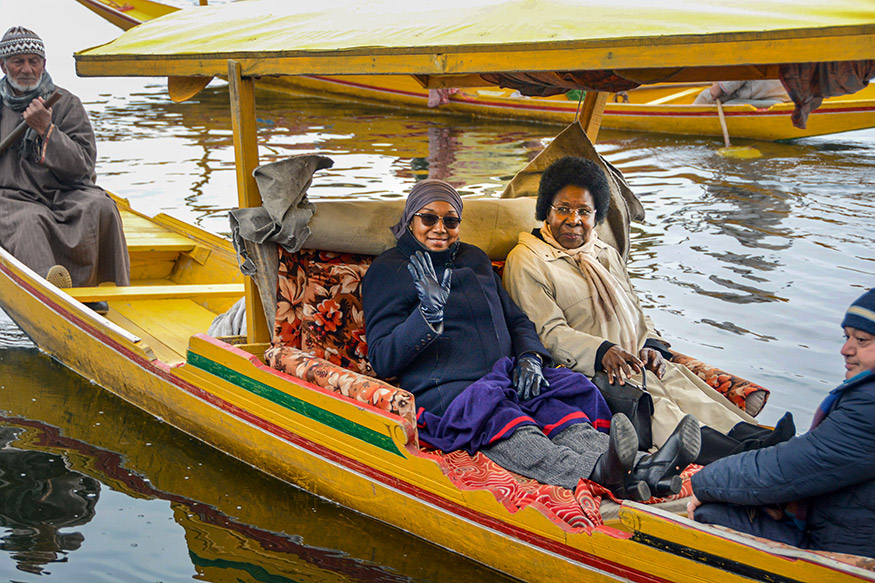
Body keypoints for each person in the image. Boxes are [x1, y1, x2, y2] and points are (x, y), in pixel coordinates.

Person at [362, 179, 701, 500]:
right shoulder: (389, 270)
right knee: (517, 431)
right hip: (450, 390)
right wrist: (428, 314)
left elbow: (517, 320)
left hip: (506, 375)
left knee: (565, 416)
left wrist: (530, 357)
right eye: (428, 218)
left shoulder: (474, 258)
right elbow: (382, 357)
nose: (440, 228)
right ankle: (606, 474)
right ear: (411, 220)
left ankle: (648, 467)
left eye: (450, 220)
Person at [501, 156, 795, 459]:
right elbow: (546, 333)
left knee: (696, 398)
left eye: (584, 211)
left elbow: (635, 308)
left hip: (640, 361)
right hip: (595, 373)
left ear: (596, 215)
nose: (573, 220)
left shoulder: (604, 253)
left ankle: (770, 444)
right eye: (563, 209)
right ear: (545, 211)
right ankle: (753, 458)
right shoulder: (527, 260)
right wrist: (603, 351)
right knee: (667, 416)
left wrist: (652, 342)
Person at [687, 288, 875, 559]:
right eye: (847, 337)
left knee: (710, 514)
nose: (846, 350)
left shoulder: (869, 406)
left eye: (862, 339)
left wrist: (703, 483)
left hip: (847, 550)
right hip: (846, 529)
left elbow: (797, 465)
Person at [0, 26, 129, 314]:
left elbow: (84, 166)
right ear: (3, 65)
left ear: (44, 64)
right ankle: (49, 290)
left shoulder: (67, 103)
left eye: (34, 61)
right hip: (11, 195)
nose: (27, 69)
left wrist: (47, 130)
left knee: (99, 205)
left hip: (65, 190)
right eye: (18, 61)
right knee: (29, 221)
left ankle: (88, 290)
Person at [693, 80, 790, 106]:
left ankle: (691, 124)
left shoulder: (748, 48)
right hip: (785, 96)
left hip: (764, 98)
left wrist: (719, 87)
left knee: (706, 96)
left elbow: (740, 75)